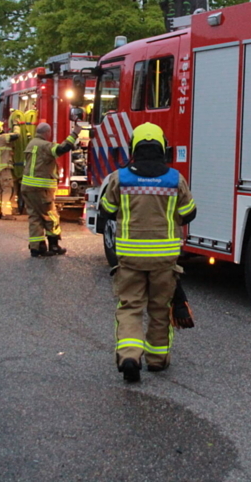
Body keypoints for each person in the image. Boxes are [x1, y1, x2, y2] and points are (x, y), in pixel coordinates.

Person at [99, 122, 196, 383]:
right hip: (164, 259)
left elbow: (106, 210)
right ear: (162, 148)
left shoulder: (120, 178)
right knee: (160, 308)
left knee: (130, 307)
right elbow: (189, 213)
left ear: (133, 148)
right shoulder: (175, 179)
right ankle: (157, 359)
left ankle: (129, 356)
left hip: (130, 258)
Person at [21, 122, 77, 256]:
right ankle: (54, 246)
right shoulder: (45, 145)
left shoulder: (31, 144)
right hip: (41, 189)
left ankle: (37, 248)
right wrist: (75, 134)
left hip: (27, 187)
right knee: (51, 216)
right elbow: (62, 149)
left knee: (35, 217)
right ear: (47, 133)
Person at [0, 120, 19, 220]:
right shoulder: (2, 138)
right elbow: (16, 135)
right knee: (7, 189)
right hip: (4, 169)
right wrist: (16, 125)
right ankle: (6, 213)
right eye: (2, 127)